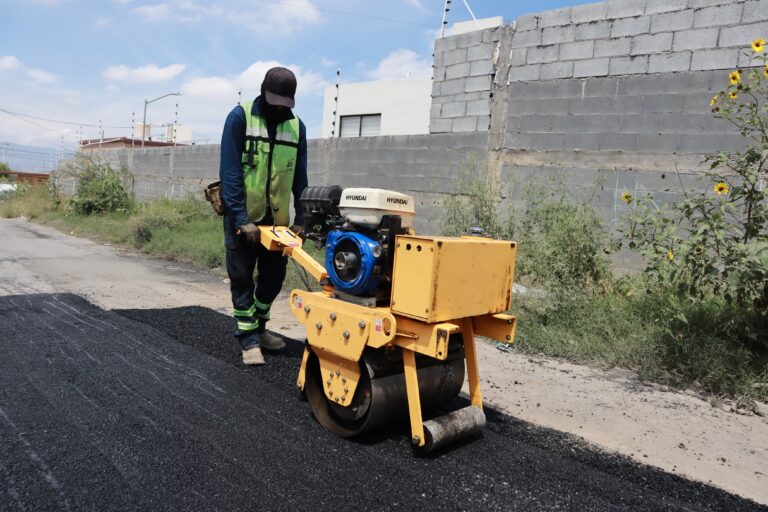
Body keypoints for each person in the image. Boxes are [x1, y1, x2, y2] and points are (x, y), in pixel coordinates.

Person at [218, 67, 308, 366]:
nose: (280, 108)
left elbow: (300, 177)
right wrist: (241, 218)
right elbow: (230, 172)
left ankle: (259, 328)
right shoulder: (240, 118)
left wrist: (302, 219)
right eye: (275, 102)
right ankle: (249, 341)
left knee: (272, 279)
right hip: (243, 218)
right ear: (263, 92)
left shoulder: (296, 127)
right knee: (242, 278)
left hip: (277, 221)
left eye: (285, 103)